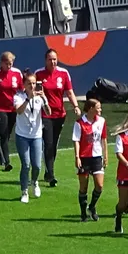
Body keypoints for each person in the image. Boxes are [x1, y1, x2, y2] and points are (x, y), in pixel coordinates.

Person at [35, 48, 79, 188]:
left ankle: (48, 171)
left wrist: (75, 106)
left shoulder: (63, 73)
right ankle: (51, 175)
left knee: (54, 145)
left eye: (54, 59)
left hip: (60, 114)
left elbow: (69, 92)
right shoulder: (39, 74)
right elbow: (33, 91)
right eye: (50, 59)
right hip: (45, 114)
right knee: (47, 144)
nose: (53, 62)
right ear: (45, 60)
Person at [13, 73, 46, 203]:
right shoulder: (19, 96)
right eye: (29, 84)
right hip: (22, 136)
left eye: (33, 83)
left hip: (37, 135)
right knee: (26, 165)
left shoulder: (39, 97)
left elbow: (48, 112)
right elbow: (19, 111)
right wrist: (28, 99)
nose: (32, 86)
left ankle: (34, 182)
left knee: (37, 165)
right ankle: (24, 191)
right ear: (24, 85)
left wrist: (45, 99)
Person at [74, 98, 107, 222]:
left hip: (97, 157)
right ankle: (83, 213)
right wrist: (77, 157)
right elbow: (76, 140)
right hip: (84, 158)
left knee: (99, 185)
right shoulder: (79, 123)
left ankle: (92, 206)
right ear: (91, 108)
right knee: (83, 187)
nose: (100, 110)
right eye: (98, 107)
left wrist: (106, 156)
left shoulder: (102, 121)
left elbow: (103, 139)